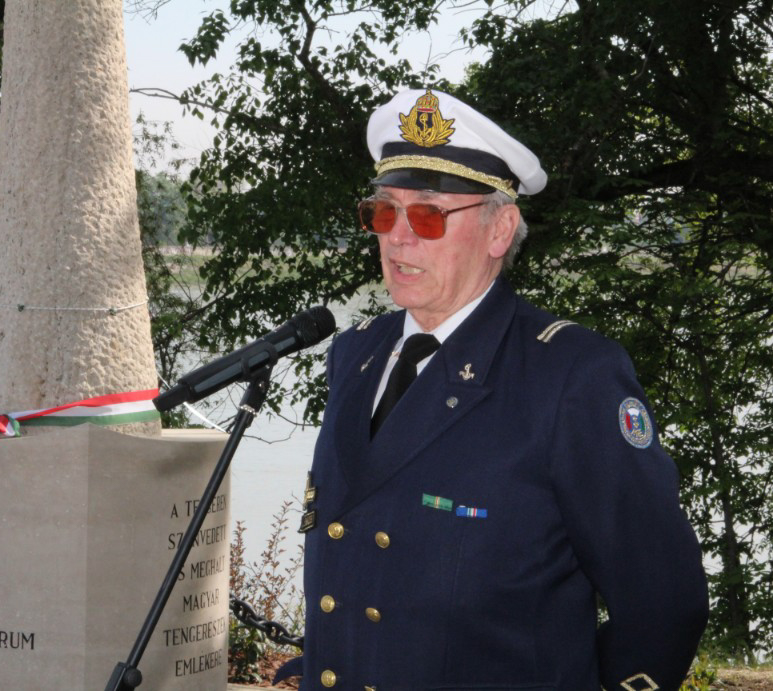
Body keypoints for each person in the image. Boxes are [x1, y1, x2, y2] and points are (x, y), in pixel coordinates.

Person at [276, 90, 709, 690]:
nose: (398, 238)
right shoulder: (357, 354)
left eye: (428, 216)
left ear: (499, 229)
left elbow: (664, 603)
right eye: (383, 213)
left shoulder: (570, 377)